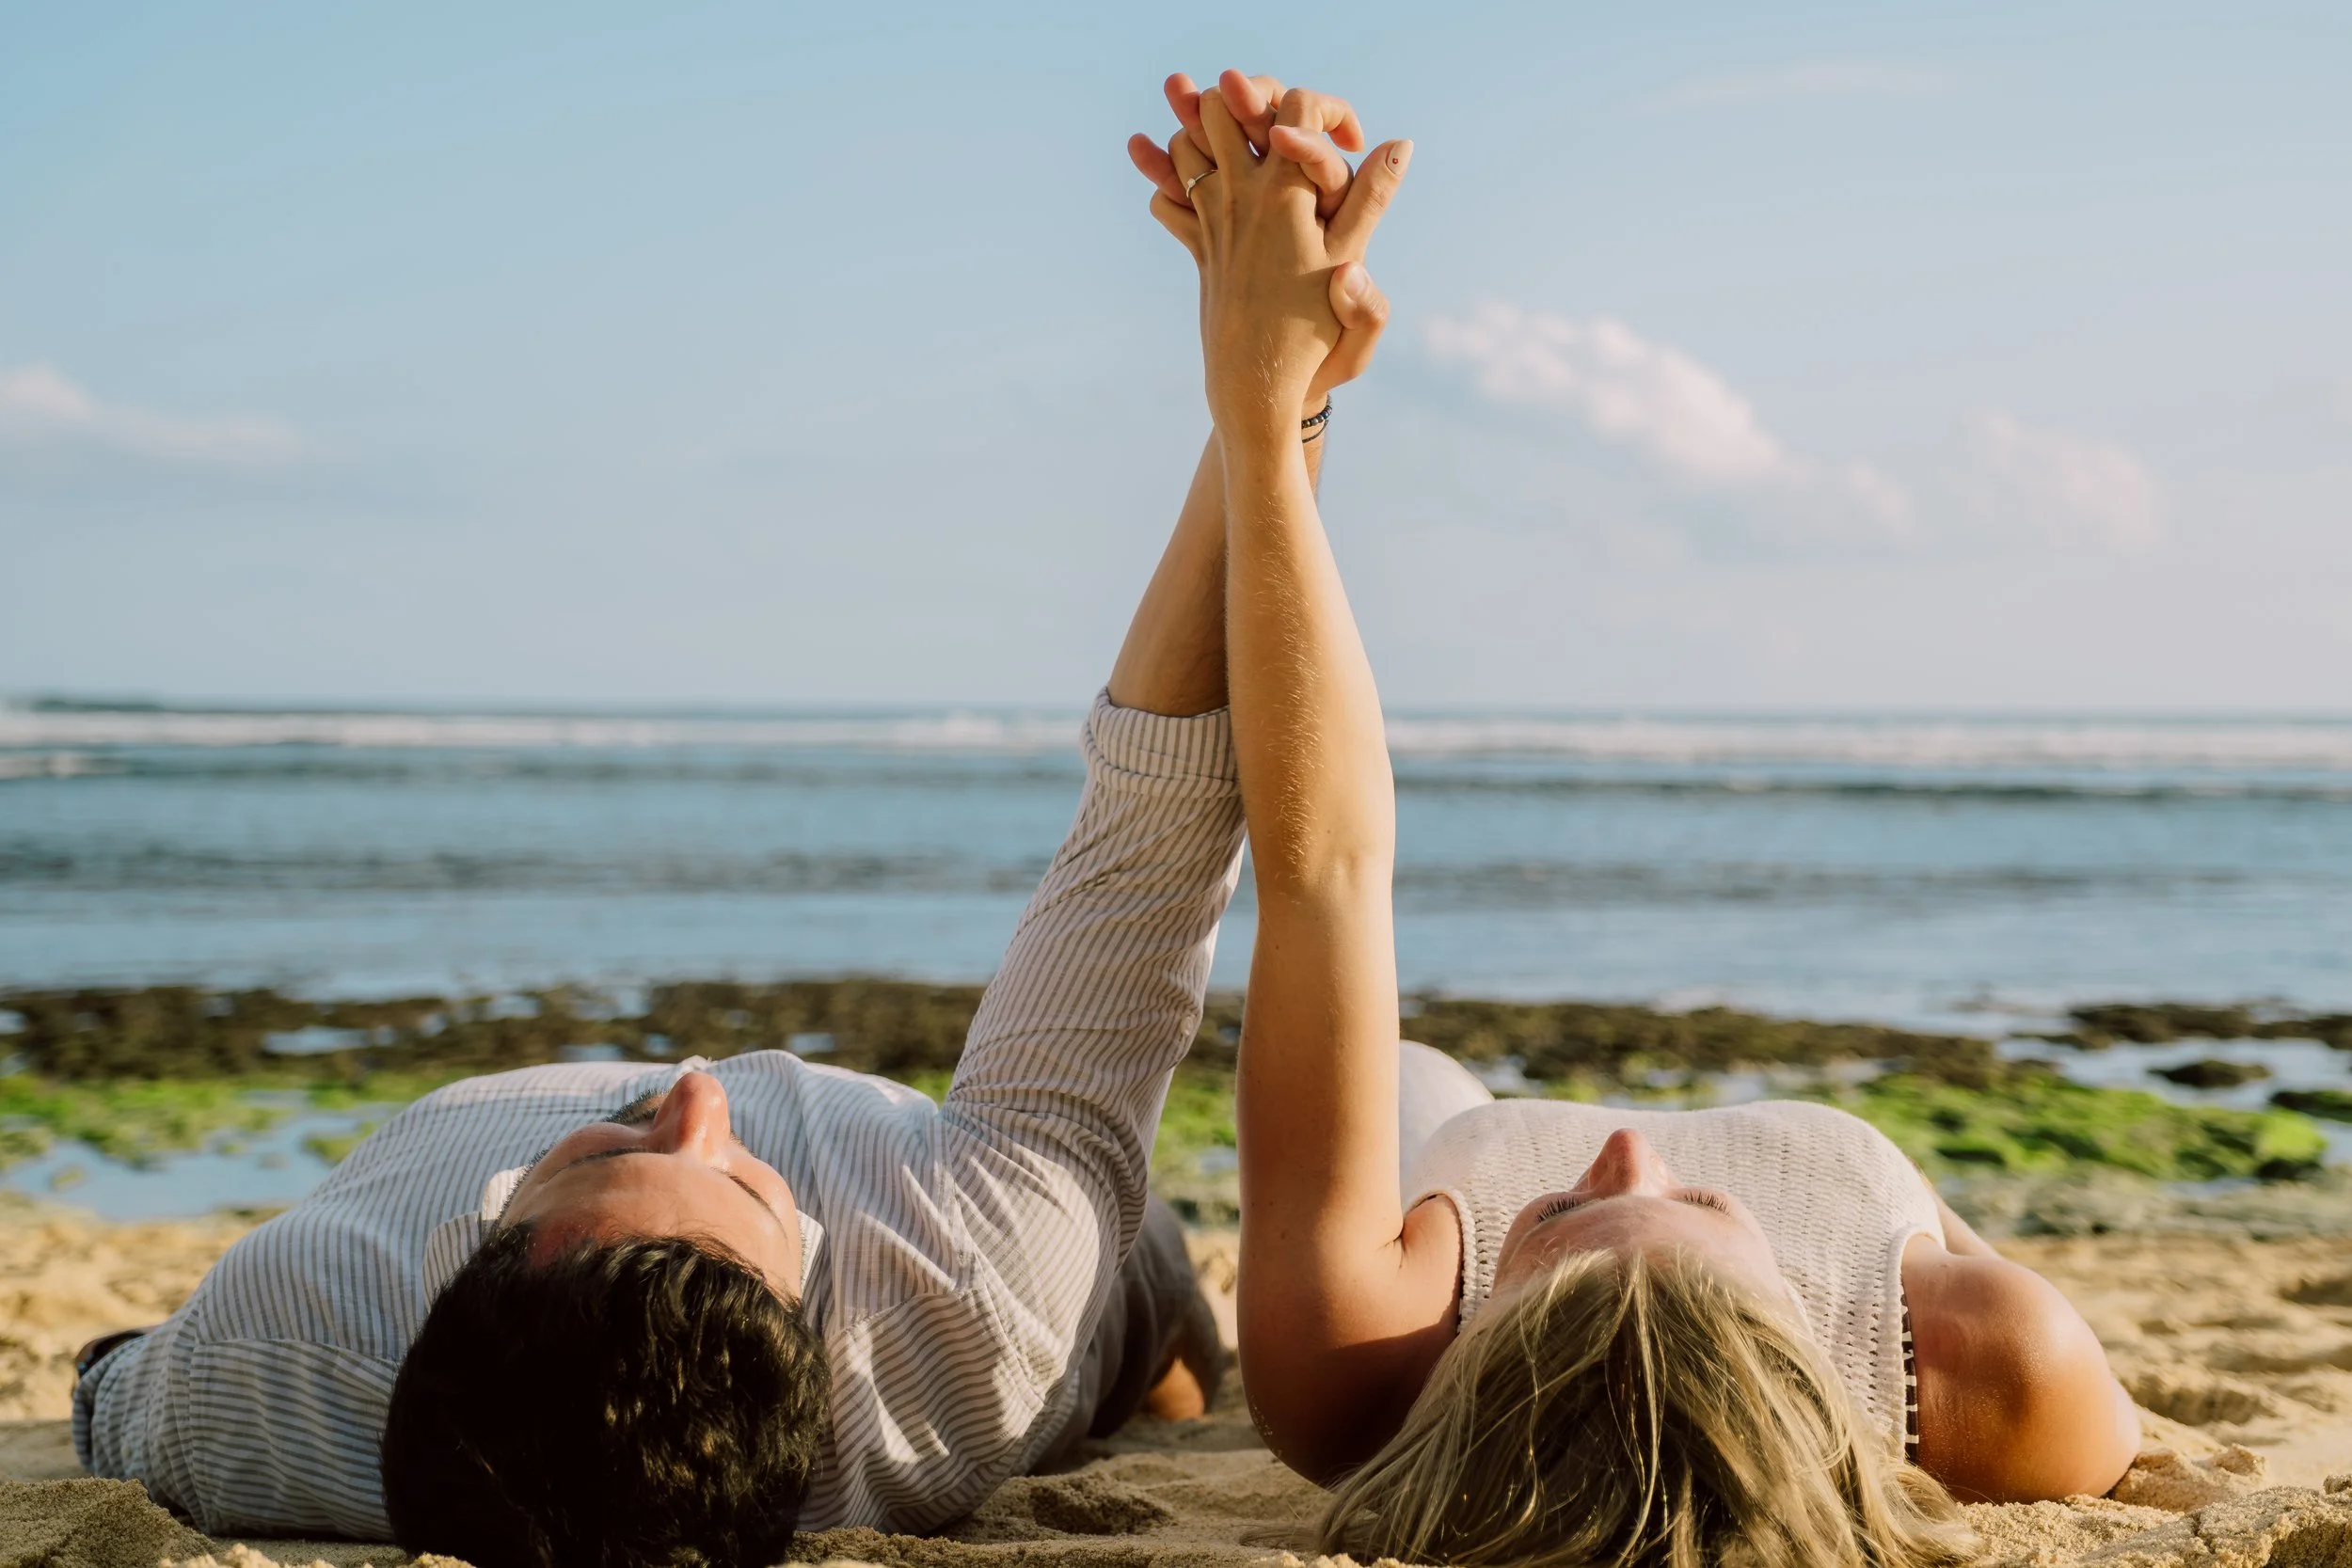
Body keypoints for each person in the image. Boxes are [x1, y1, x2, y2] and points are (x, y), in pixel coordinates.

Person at [71, 76, 1408, 1568]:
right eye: (737, 1179)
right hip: (1004, 1222)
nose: (698, 1087)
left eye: (601, 1152)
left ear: (466, 1262)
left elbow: (108, 1389)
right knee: (1132, 1277)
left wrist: (1261, 363)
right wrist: (1275, 397)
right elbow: (1157, 816)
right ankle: (1162, 1345)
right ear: (819, 1341)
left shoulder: (279, 1365)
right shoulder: (963, 1312)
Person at [1153, 70, 2144, 1568]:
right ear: (1799, 1355)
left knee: (1404, 1080)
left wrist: (1274, 402)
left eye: (1554, 1225)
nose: (1625, 1148)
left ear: (1475, 1365)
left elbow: (1325, 876)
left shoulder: (1360, 1367)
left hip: (1446, 1139)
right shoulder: (2002, 1377)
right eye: (1687, 1206)